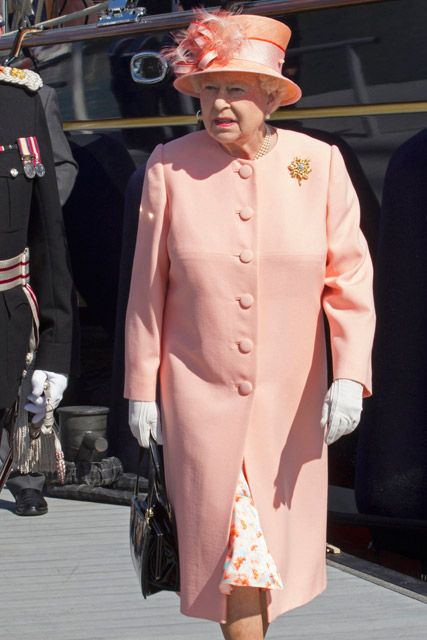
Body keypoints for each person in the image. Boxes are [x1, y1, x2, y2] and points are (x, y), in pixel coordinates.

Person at [124, 10, 375, 639]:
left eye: (235, 89)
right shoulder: (168, 167)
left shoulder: (317, 166)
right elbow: (146, 292)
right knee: (238, 559)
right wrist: (140, 388)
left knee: (260, 568)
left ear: (270, 95)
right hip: (199, 402)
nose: (219, 104)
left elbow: (348, 280)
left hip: (289, 410)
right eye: (208, 90)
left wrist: (349, 376)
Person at [0, 64, 74, 515]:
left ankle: (28, 476)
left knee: (27, 388)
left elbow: (49, 232)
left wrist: (56, 351)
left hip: (8, 290)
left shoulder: (24, 100)